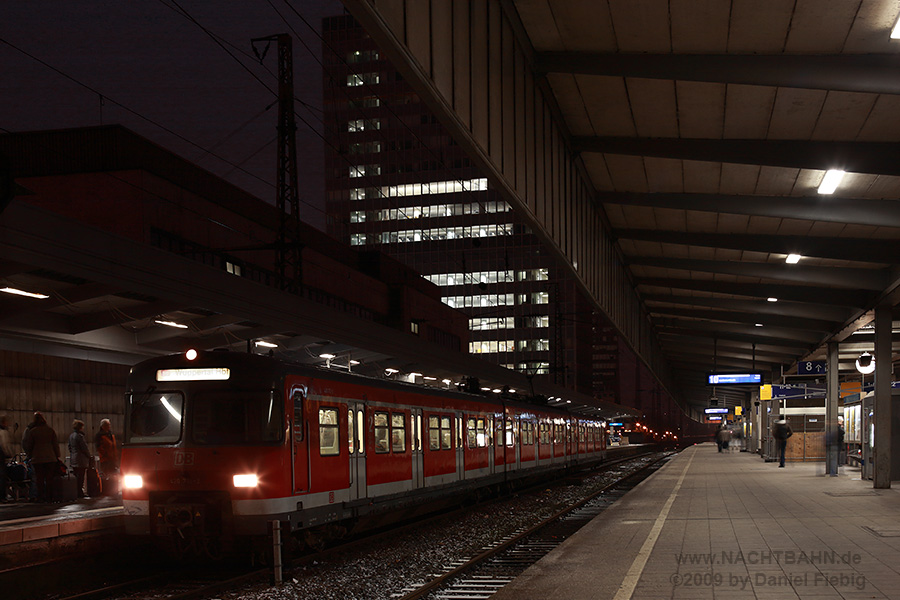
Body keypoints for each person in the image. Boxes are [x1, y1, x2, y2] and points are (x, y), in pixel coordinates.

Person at [21, 412, 60, 502]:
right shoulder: (50, 430)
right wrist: (57, 455)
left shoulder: (33, 432)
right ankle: (49, 497)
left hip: (37, 458)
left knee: (39, 479)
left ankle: (40, 497)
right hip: (50, 458)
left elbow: (29, 445)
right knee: (49, 478)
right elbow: (55, 444)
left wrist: (29, 455)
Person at [68, 420, 91, 499]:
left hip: (73, 458)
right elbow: (84, 448)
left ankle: (75, 491)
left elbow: (69, 447)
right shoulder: (80, 436)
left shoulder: (71, 436)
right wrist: (89, 456)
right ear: (80, 427)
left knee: (76, 475)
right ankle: (80, 492)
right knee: (81, 476)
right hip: (80, 459)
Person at [0, 415, 12, 502]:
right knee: (2, 476)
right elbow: (4, 445)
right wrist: (8, 454)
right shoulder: (3, 432)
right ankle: (2, 496)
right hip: (1, 456)